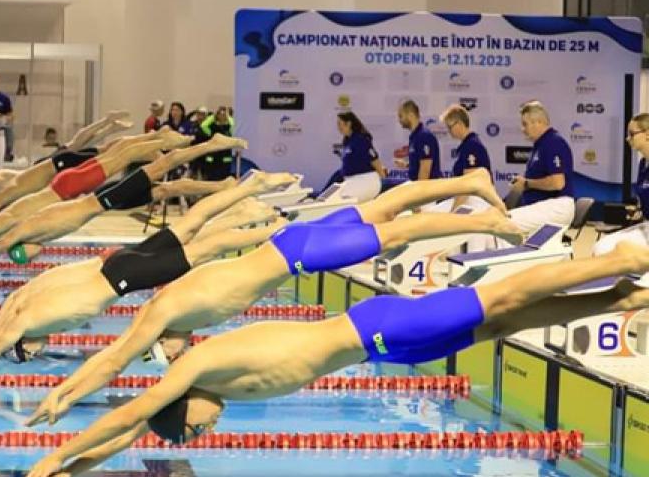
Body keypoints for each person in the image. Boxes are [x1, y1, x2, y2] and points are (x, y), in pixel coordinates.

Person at [27, 244, 649, 476]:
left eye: (194, 431)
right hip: (391, 348)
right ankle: (617, 298)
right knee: (504, 325)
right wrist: (73, 472)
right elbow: (132, 433)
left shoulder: (195, 368)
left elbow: (129, 413)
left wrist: (52, 456)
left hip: (375, 327)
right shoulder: (215, 390)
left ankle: (618, 260)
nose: (205, 433)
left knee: (503, 298)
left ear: (181, 405)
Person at [27, 170, 515, 427]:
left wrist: (64, 394)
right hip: (290, 244)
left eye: (165, 353)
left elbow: (114, 359)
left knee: (393, 233)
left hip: (297, 256)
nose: (174, 357)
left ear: (164, 338)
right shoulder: (184, 304)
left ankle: (484, 220)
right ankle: (469, 182)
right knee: (385, 207)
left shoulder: (165, 310)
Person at [0, 181, 288, 408]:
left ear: (22, 345)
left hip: (123, 279)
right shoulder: (27, 305)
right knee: (190, 227)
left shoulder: (27, 322)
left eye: (29, 354)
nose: (37, 353)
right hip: (115, 264)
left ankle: (278, 229)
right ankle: (248, 195)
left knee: (206, 249)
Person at [0, 134, 252, 286]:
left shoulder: (20, 227)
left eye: (29, 255)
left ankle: (194, 142)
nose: (36, 255)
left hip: (83, 193)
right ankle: (221, 185)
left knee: (137, 158)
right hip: (85, 194)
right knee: (163, 187)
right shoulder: (26, 226)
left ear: (24, 247)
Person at [0, 111, 132, 241]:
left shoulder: (2, 197)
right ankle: (109, 124)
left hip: (54, 170)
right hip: (46, 166)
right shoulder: (0, 180)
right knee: (82, 145)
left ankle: (113, 128)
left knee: (98, 151)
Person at [507, 100, 575, 233]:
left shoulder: (553, 142)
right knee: (500, 222)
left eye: (525, 124)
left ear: (538, 122)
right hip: (543, 205)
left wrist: (526, 183)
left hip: (557, 205)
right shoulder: (541, 145)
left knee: (503, 223)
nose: (522, 129)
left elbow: (558, 183)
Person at [593, 114, 649, 256]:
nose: (627, 139)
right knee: (600, 247)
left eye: (632, 134)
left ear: (647, 134)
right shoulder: (643, 164)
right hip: (645, 225)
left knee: (605, 250)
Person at [440, 103, 492, 210]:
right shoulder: (467, 145)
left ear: (459, 124)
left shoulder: (472, 146)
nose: (449, 131)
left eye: (450, 127)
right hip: (470, 199)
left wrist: (453, 212)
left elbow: (468, 187)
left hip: (476, 202)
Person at [334, 111, 385, 202]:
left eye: (339, 123)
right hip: (351, 181)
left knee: (341, 200)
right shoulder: (347, 141)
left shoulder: (361, 140)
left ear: (348, 123)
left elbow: (374, 160)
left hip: (365, 180)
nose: (338, 127)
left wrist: (383, 179)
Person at [396, 99, 440, 183]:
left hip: (426, 188)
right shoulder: (415, 136)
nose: (399, 120)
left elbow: (425, 170)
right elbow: (419, 163)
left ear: (411, 115)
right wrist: (407, 165)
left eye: (401, 116)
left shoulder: (424, 136)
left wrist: (418, 190)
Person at [198, 106, 236, 180]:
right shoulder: (211, 128)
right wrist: (213, 116)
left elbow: (234, 125)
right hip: (212, 160)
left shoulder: (229, 128)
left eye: (224, 114)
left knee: (224, 180)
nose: (222, 115)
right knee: (211, 180)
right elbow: (203, 125)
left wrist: (228, 117)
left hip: (225, 160)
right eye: (219, 114)